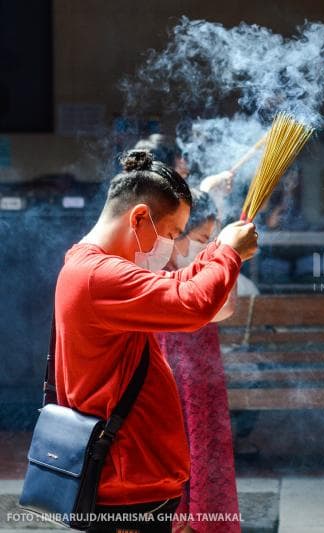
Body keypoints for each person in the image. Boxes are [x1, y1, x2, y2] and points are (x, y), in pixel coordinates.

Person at [54, 150, 258, 533]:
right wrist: (228, 253)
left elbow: (176, 285)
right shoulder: (98, 275)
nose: (168, 246)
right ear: (138, 218)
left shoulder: (94, 268)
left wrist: (217, 251)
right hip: (125, 479)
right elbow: (191, 304)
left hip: (134, 476)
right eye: (169, 234)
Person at [154, 189, 240, 533]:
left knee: (203, 442)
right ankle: (176, 519)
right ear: (177, 232)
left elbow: (226, 307)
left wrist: (224, 256)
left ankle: (201, 521)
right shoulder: (153, 263)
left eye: (209, 238)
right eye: (201, 237)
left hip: (200, 366)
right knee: (171, 443)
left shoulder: (199, 261)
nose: (204, 245)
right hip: (168, 365)